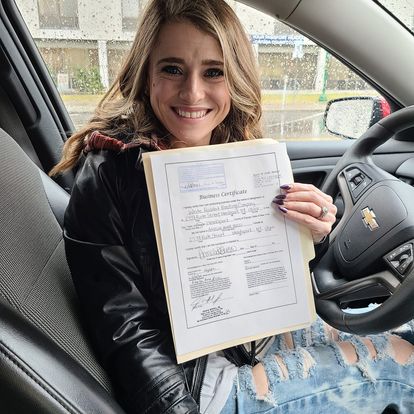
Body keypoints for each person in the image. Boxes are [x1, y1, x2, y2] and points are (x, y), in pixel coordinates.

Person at [51, 0, 414, 412]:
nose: (192, 92)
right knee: (400, 367)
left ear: (234, 77)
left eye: (213, 72)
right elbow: (127, 329)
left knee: (405, 330)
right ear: (145, 74)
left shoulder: (237, 152)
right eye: (172, 69)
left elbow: (255, 275)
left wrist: (309, 236)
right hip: (194, 382)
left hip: (243, 339)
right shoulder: (110, 175)